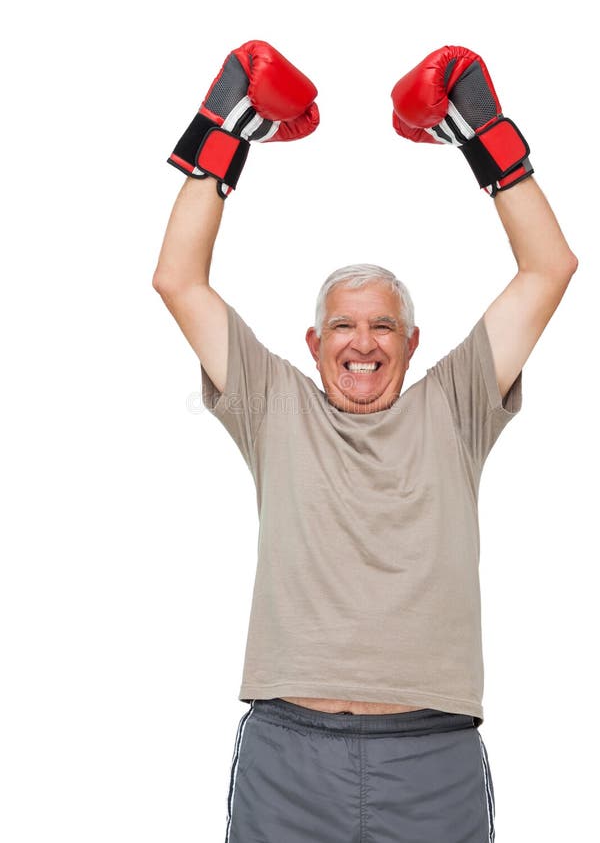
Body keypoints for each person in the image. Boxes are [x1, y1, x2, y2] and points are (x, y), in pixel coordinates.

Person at [152, 41, 578, 843]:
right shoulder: (274, 404)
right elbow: (179, 279)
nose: (363, 341)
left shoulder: (455, 406)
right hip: (289, 754)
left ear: (414, 345)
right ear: (312, 345)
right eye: (343, 325)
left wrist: (483, 133)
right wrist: (225, 131)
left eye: (384, 324)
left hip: (432, 758)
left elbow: (548, 268)